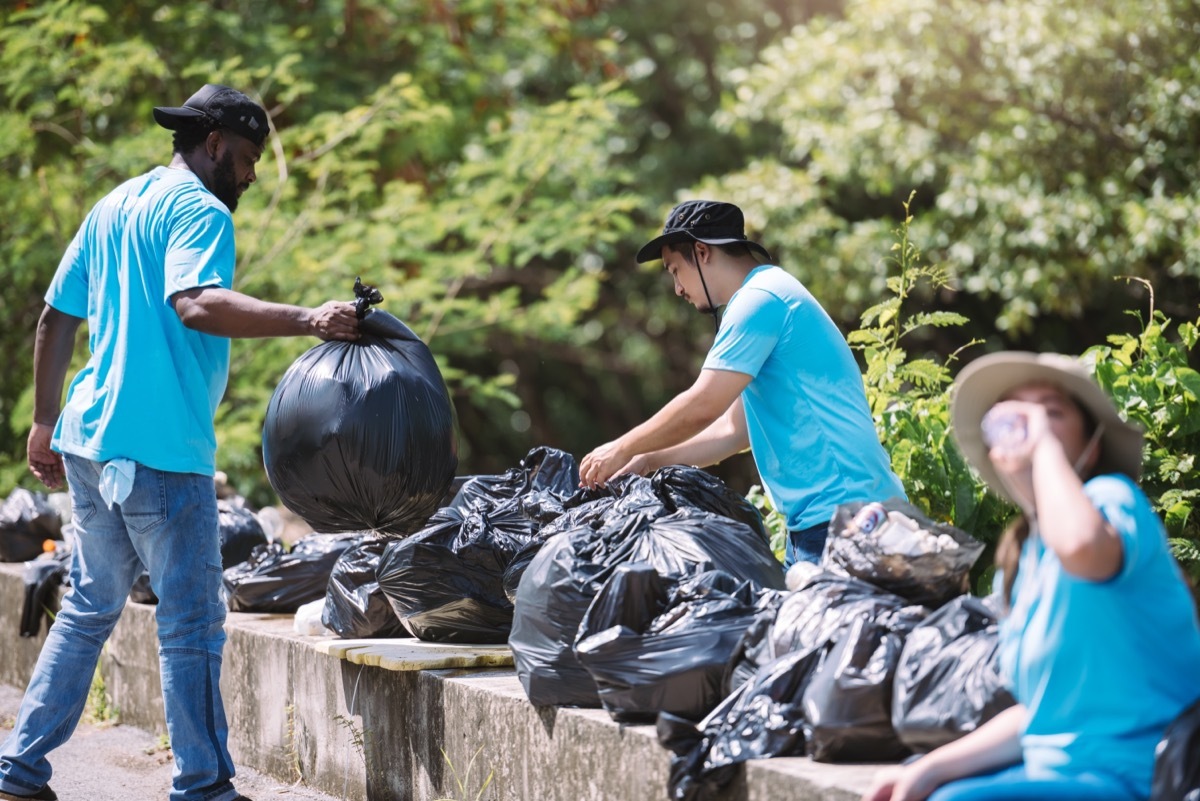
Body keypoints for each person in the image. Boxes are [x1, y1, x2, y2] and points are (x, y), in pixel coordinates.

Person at [0, 84, 360, 801]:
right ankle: (204, 784)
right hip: (160, 451)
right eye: (251, 157)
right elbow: (195, 303)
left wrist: (44, 422)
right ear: (216, 143)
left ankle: (20, 767)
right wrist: (309, 318)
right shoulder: (200, 209)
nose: (253, 175)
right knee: (192, 621)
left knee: (89, 605)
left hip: (90, 443)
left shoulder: (115, 204)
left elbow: (53, 319)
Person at [863, 352, 1200, 801]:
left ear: (1092, 445)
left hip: (1143, 778)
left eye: (1052, 412)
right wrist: (928, 769)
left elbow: (1082, 547)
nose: (1030, 423)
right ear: (998, 454)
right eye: (1015, 412)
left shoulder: (1112, 500)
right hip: (1062, 778)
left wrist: (1042, 446)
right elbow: (1040, 713)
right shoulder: (1026, 559)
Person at [578, 199, 905, 566]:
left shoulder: (759, 299)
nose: (677, 289)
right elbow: (732, 431)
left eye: (674, 271)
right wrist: (648, 459)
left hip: (847, 517)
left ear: (701, 252)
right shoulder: (766, 292)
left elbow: (703, 405)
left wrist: (621, 447)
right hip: (823, 523)